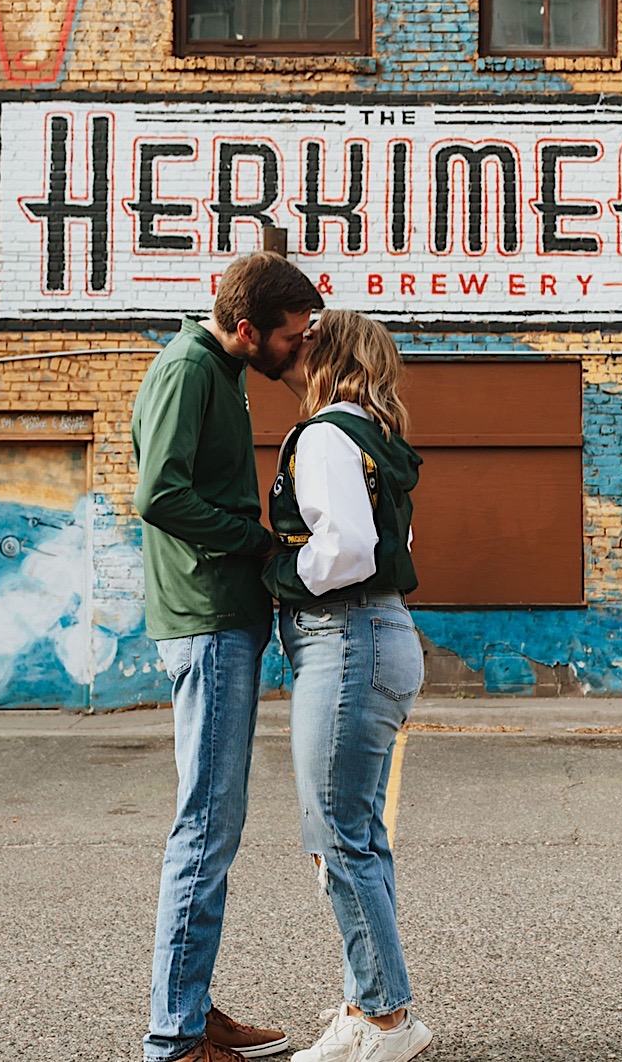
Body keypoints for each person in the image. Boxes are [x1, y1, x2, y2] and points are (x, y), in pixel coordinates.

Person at [133, 252, 322, 1062]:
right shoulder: (187, 370)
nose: (300, 350)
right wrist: (259, 541)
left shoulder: (220, 369)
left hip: (221, 619)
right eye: (291, 338)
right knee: (205, 828)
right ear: (247, 329)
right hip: (206, 621)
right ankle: (174, 1038)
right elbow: (159, 494)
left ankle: (193, 1008)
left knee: (215, 825)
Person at [261, 308, 430, 1062]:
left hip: (347, 637)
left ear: (328, 356)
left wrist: (278, 571)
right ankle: (368, 1006)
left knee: (338, 837)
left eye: (309, 343)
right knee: (356, 836)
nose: (297, 351)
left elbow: (351, 549)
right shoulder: (378, 438)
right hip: (379, 636)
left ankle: (389, 1019)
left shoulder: (327, 433)